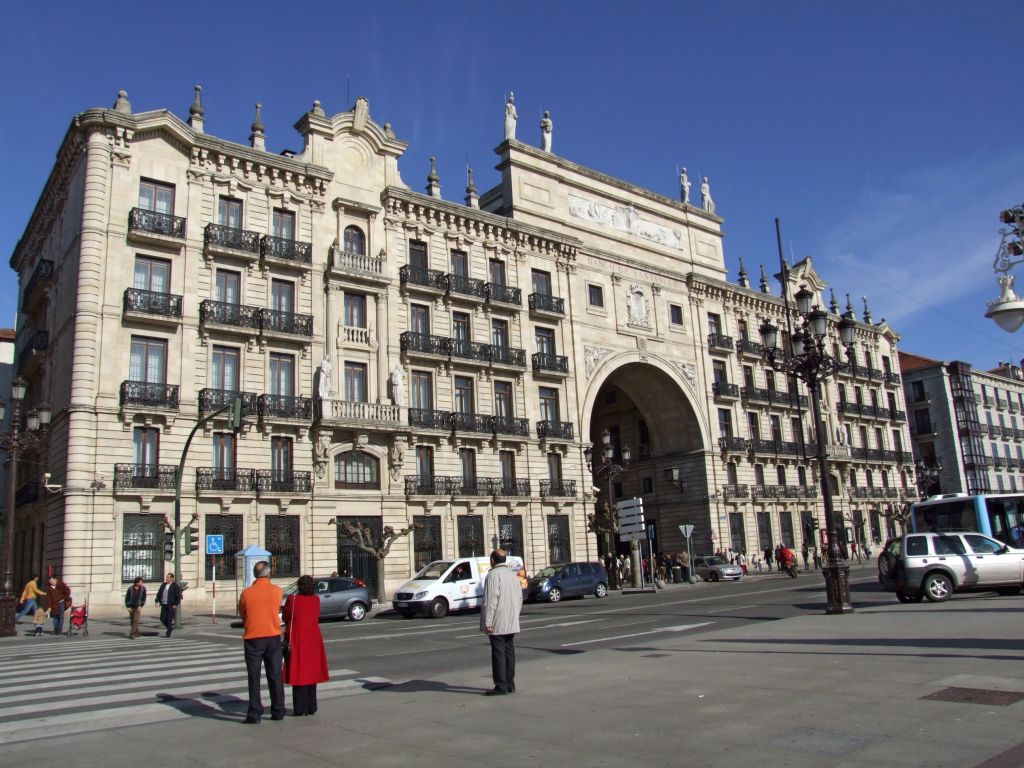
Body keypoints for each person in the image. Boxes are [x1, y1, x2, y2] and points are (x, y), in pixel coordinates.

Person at [238, 560, 285, 723]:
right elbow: (278, 608)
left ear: (255, 574)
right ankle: (278, 710)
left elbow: (242, 612)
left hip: (253, 638)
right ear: (269, 573)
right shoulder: (277, 591)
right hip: (273, 636)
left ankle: (254, 713)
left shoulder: (246, 593)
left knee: (254, 677)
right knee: (275, 675)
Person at [283, 575, 329, 716]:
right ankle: (311, 706)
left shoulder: (293, 599)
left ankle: (300, 708)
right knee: (311, 673)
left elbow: (286, 615)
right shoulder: (316, 600)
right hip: (313, 638)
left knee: (299, 672)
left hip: (298, 637)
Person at [480, 548, 523, 696]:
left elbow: (491, 600)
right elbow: (519, 598)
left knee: (498, 652)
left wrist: (488, 621)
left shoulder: (493, 575)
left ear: (492, 560)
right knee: (509, 650)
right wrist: (515, 614)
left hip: (498, 620)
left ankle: (500, 685)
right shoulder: (513, 575)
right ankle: (510, 683)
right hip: (511, 619)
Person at [156, 572, 183, 637]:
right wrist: (157, 600)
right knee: (162, 618)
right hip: (164, 603)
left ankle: (169, 631)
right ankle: (170, 627)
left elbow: (178, 596)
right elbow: (159, 593)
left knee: (169, 618)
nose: (167, 578)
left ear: (172, 579)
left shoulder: (175, 586)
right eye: (166, 577)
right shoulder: (163, 585)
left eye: (168, 577)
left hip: (171, 604)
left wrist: (176, 604)